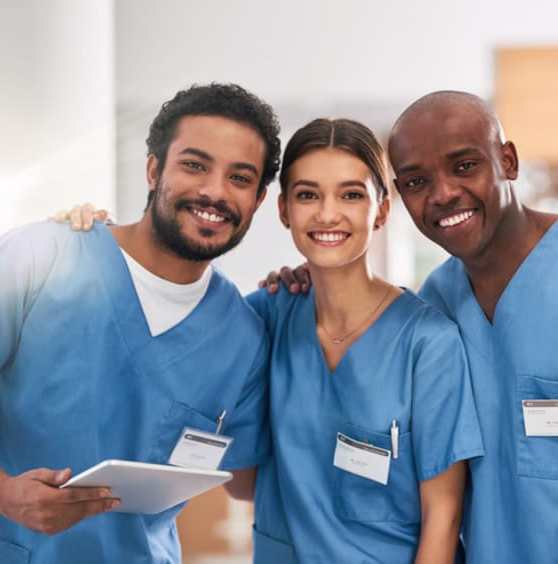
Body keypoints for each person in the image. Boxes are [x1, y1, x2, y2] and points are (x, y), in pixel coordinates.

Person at [267, 92, 558, 563]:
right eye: (416, 181)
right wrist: (312, 278)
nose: (442, 193)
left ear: (508, 161)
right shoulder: (436, 304)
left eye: (464, 166)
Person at [59, 117, 484, 563]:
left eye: (351, 194)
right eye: (307, 194)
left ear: (381, 210)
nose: (327, 213)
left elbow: (444, 516)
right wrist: (94, 240)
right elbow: (242, 482)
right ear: (283, 211)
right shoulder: (264, 316)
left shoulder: (428, 343)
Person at [0, 82, 281, 563]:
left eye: (240, 178)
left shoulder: (243, 338)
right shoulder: (38, 257)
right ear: (154, 168)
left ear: (259, 200)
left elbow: (245, 480)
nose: (213, 191)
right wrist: (0, 492)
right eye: (195, 165)